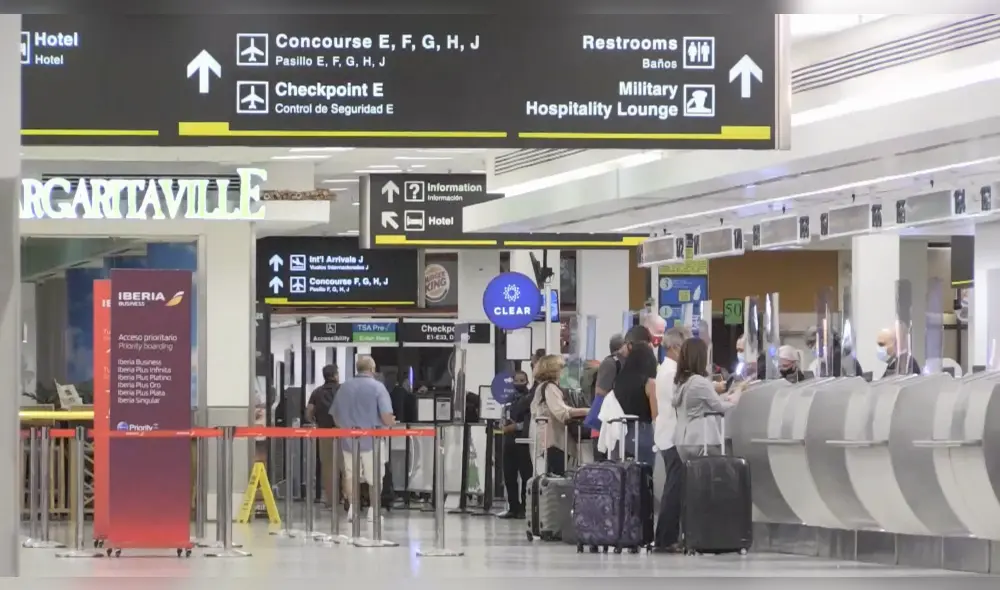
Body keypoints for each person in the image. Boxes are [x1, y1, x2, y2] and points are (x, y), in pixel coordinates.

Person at [331, 355, 396, 523]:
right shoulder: (378, 388)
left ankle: (352, 510)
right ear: (372, 369)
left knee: (350, 475)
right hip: (372, 441)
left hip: (348, 441)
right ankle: (373, 511)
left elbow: (336, 417)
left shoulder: (344, 388)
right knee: (375, 477)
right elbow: (386, 416)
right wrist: (391, 422)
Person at [673, 338, 741, 461]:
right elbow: (719, 407)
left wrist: (726, 397)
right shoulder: (699, 382)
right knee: (726, 467)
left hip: (683, 440)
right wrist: (737, 399)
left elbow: (705, 401)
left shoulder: (681, 382)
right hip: (700, 441)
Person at [653, 326, 690, 552]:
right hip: (671, 437)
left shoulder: (671, 370)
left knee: (676, 487)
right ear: (675, 347)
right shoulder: (669, 373)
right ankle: (665, 539)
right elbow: (679, 400)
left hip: (672, 435)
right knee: (674, 489)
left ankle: (669, 537)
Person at [530, 354, 589, 475]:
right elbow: (561, 412)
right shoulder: (550, 387)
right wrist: (587, 411)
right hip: (555, 441)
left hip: (548, 441)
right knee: (558, 477)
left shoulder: (543, 387)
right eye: (561, 367)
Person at [612, 325, 659, 466]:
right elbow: (656, 415)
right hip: (644, 432)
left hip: (623, 433)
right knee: (645, 474)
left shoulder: (619, 382)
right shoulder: (650, 383)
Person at [583, 334, 626, 461]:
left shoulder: (617, 364)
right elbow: (600, 391)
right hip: (603, 425)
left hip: (609, 424)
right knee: (603, 464)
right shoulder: (610, 364)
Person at [498, 370, 533, 519]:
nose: (519, 383)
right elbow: (503, 416)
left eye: (522, 380)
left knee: (525, 475)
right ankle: (513, 507)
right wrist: (502, 424)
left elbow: (530, 421)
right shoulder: (508, 400)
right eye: (516, 381)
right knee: (509, 475)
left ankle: (524, 508)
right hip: (508, 440)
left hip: (523, 440)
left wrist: (516, 426)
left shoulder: (529, 399)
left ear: (527, 382)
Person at [306, 365, 339, 505]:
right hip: (343, 432)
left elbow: (309, 412)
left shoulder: (317, 392)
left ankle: (331, 500)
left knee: (328, 468)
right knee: (345, 466)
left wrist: (314, 421)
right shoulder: (342, 390)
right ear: (336, 375)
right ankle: (347, 497)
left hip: (324, 433)